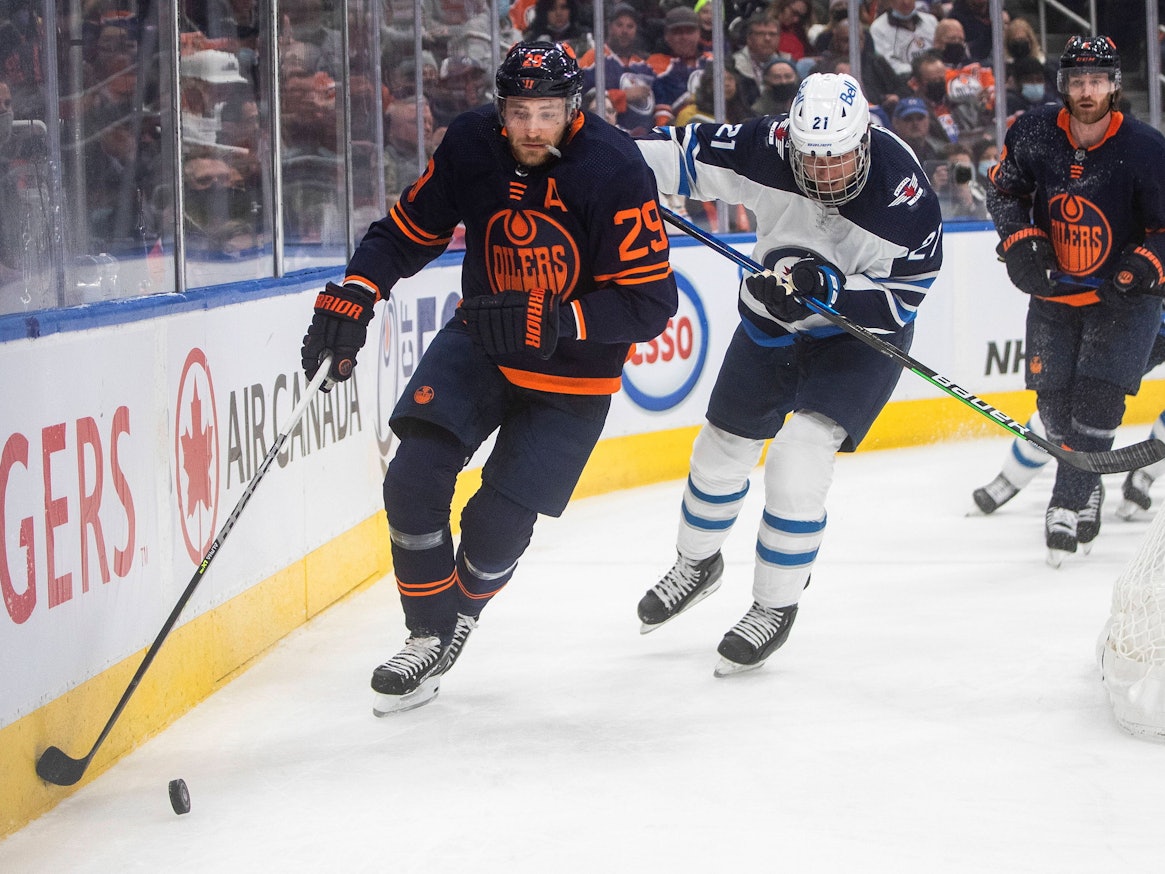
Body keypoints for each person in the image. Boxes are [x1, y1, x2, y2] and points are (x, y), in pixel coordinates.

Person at [298, 41, 678, 713]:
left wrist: (558, 322)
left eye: (548, 113)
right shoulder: (473, 142)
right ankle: (426, 634)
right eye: (520, 112)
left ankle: (459, 615)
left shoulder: (613, 168)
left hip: (574, 376)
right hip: (481, 338)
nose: (532, 128)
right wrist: (358, 291)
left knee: (495, 524)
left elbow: (649, 304)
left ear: (574, 109)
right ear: (499, 110)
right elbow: (408, 232)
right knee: (412, 479)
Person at [634, 72, 942, 676]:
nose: (824, 171)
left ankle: (774, 605)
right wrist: (600, 160)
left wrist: (831, 293)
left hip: (858, 341)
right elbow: (679, 155)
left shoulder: (904, 196)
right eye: (811, 157)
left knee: (798, 459)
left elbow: (902, 299)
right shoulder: (768, 145)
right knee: (720, 449)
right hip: (771, 320)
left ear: (865, 141)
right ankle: (697, 564)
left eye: (838, 158)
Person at [973, 36, 1165, 566]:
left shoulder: (1147, 148)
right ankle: (1092, 483)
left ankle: (1066, 503)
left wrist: (1144, 263)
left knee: (1097, 405)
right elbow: (1004, 191)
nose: (1087, 91)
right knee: (1053, 410)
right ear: (1064, 85)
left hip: (1124, 300)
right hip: (1056, 294)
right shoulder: (1034, 132)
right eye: (1078, 81)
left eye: (1097, 81)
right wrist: (1018, 240)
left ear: (1114, 85)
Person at [868, 0, 938, 81]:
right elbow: (888, 63)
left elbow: (939, 51)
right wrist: (921, 71)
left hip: (936, 75)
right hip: (902, 80)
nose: (906, 2)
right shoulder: (878, 28)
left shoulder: (931, 20)